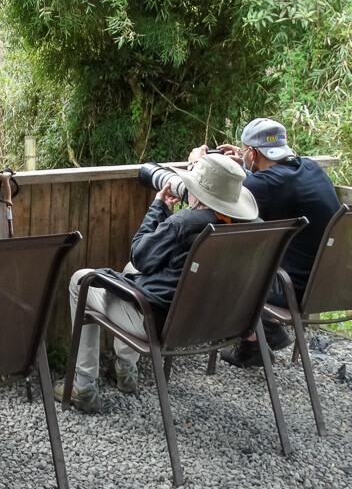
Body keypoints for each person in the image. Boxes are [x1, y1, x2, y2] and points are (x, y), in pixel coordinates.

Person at [53, 148, 259, 412]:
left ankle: (83, 386)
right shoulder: (252, 227)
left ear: (199, 192)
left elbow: (140, 255)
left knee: (81, 280)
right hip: (212, 322)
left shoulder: (185, 223)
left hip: (161, 324)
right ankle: (125, 371)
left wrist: (158, 207)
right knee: (129, 271)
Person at [211, 118, 340, 367]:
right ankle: (269, 327)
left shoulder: (264, 185)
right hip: (329, 283)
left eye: (244, 149)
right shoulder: (312, 169)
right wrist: (246, 165)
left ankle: (252, 344)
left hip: (293, 288)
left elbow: (219, 201)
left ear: (254, 152)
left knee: (218, 269)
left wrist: (201, 164)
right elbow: (273, 185)